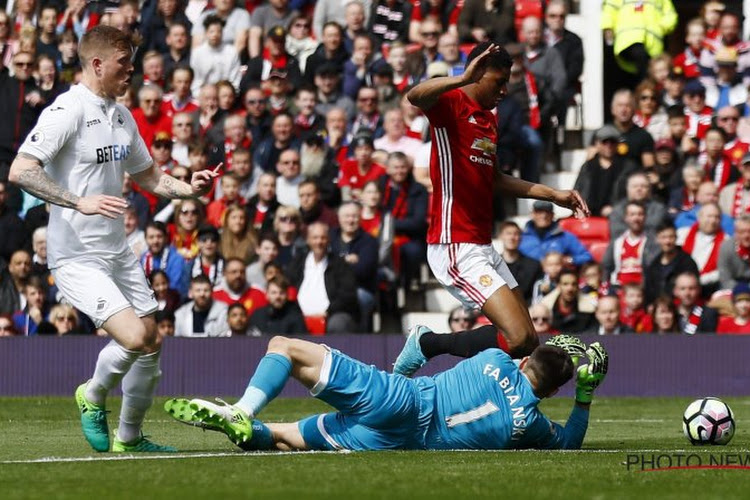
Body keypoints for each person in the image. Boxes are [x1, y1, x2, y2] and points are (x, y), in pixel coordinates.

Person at [8, 26, 217, 453]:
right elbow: (21, 170)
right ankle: (92, 392)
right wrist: (75, 200)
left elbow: (150, 176)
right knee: (135, 337)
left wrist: (189, 188)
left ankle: (130, 438)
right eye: (125, 63)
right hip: (75, 257)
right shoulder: (66, 110)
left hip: (116, 251)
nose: (132, 70)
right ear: (98, 64)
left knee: (152, 342)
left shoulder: (120, 115)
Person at [392, 42, 589, 376]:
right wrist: (461, 78)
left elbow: (494, 178)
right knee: (516, 337)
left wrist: (553, 194)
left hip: (482, 245)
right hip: (454, 244)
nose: (504, 90)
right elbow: (415, 96)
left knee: (526, 341)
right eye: (498, 81)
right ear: (477, 74)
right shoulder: (451, 105)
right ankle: (427, 346)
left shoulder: (487, 120)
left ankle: (485, 392)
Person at [164, 336, 608, 452]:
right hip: (397, 441)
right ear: (550, 394)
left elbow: (521, 358)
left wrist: (559, 352)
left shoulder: (495, 357)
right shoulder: (530, 426)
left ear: (527, 362)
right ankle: (250, 430)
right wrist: (583, 395)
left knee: (284, 348)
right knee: (283, 437)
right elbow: (570, 443)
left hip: (401, 399)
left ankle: (240, 411)